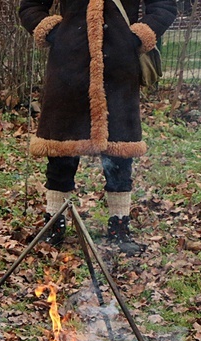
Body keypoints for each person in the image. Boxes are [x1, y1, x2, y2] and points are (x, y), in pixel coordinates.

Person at [18, 0, 177, 255]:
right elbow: (30, 7)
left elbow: (164, 6)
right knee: (61, 153)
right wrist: (58, 34)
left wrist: (136, 37)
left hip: (119, 69)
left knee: (120, 156)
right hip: (67, 69)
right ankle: (54, 224)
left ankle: (119, 226)